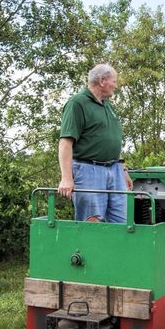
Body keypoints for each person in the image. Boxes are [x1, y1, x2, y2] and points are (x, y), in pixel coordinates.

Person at [58, 63, 133, 223]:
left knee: (122, 222)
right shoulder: (77, 103)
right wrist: (66, 178)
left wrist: (122, 168)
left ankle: (115, 249)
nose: (116, 85)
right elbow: (65, 143)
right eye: (114, 81)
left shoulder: (107, 105)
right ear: (102, 81)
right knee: (92, 222)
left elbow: (108, 139)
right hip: (88, 170)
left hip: (115, 170)